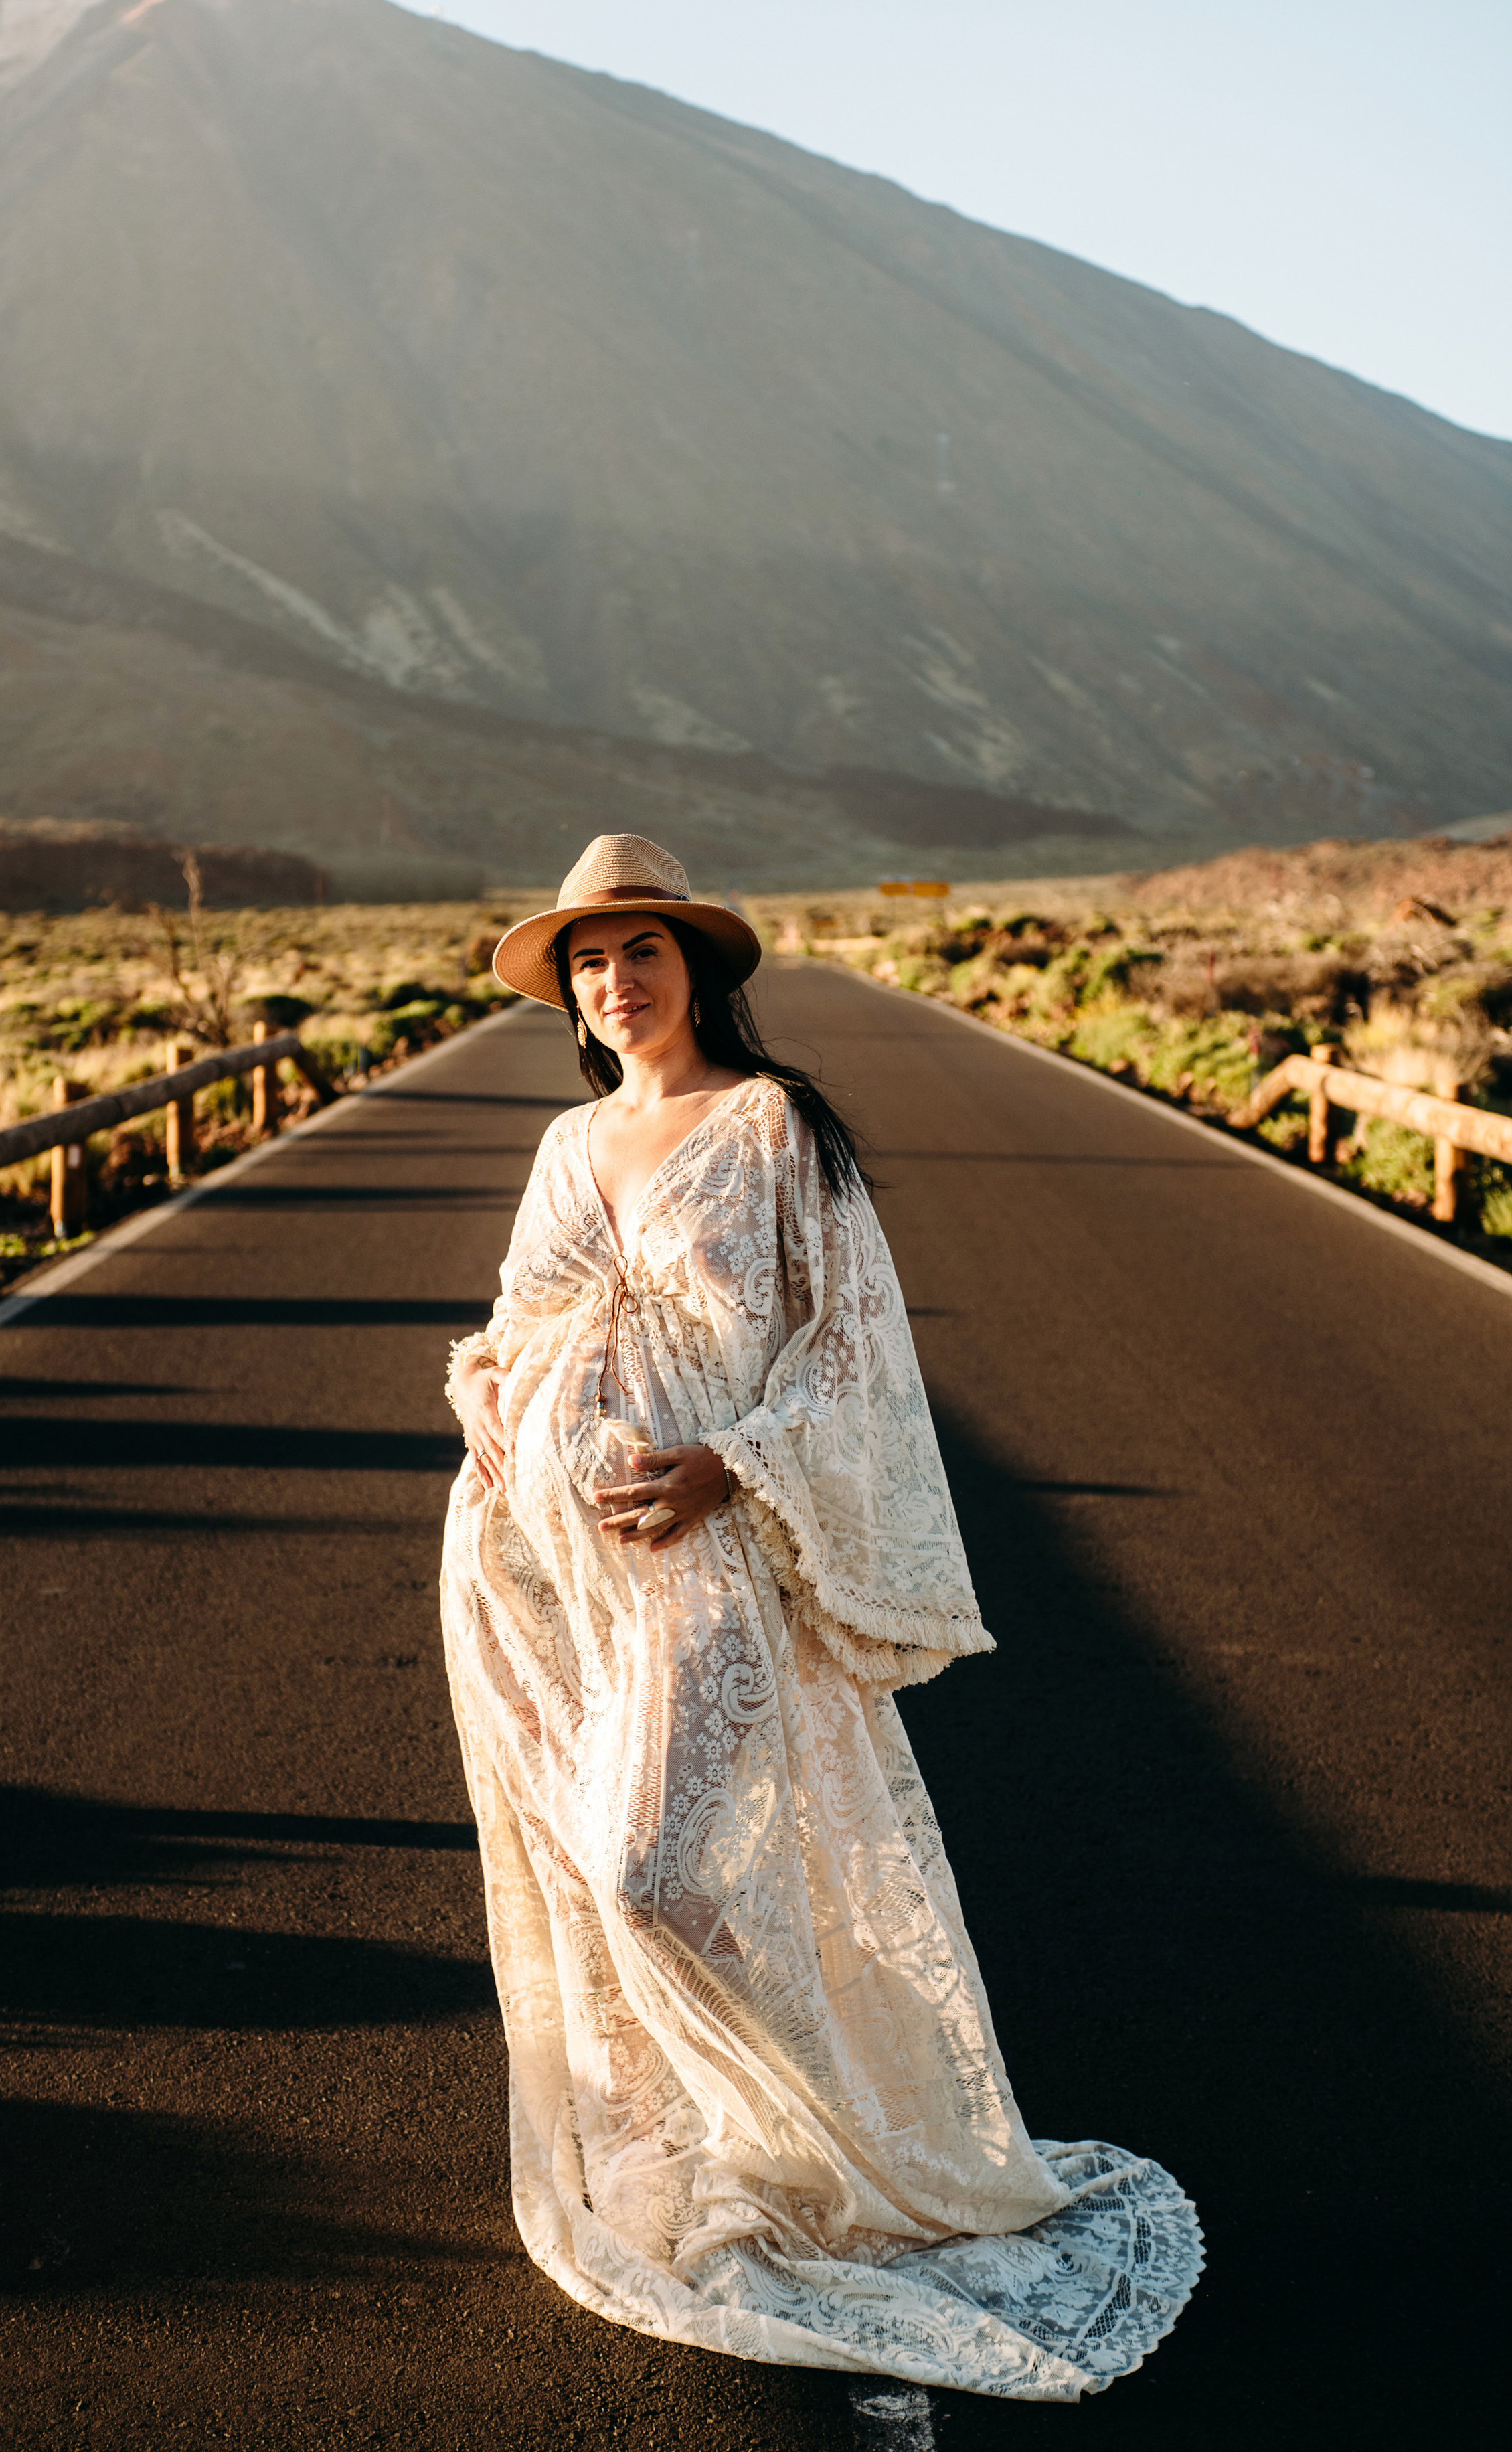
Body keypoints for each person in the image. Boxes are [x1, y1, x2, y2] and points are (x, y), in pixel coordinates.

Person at [442, 835, 1201, 2402]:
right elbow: (511, 1326)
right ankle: (742, 2131)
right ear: (569, 994)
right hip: (550, 1568)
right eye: (588, 960)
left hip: (711, 1552)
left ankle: (843, 2141)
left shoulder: (771, 1127)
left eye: (641, 950)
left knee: (651, 1870)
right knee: (596, 1863)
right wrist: (484, 1400)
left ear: (695, 970)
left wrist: (726, 1466)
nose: (614, 980)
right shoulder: (568, 1145)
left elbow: (851, 1350)